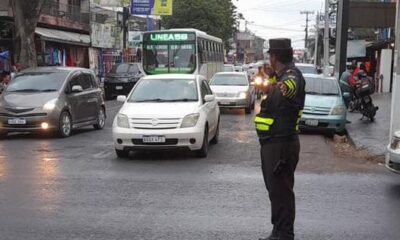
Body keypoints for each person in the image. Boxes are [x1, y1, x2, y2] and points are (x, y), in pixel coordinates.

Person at [254, 38, 306, 240]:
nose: (269, 59)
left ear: (274, 56)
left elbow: (290, 87)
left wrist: (278, 85)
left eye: (270, 56)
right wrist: (268, 80)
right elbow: (270, 89)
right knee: (275, 192)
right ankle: (278, 232)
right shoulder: (280, 75)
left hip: (282, 144)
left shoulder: (291, 75)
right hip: (273, 143)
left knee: (282, 193)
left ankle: (284, 235)